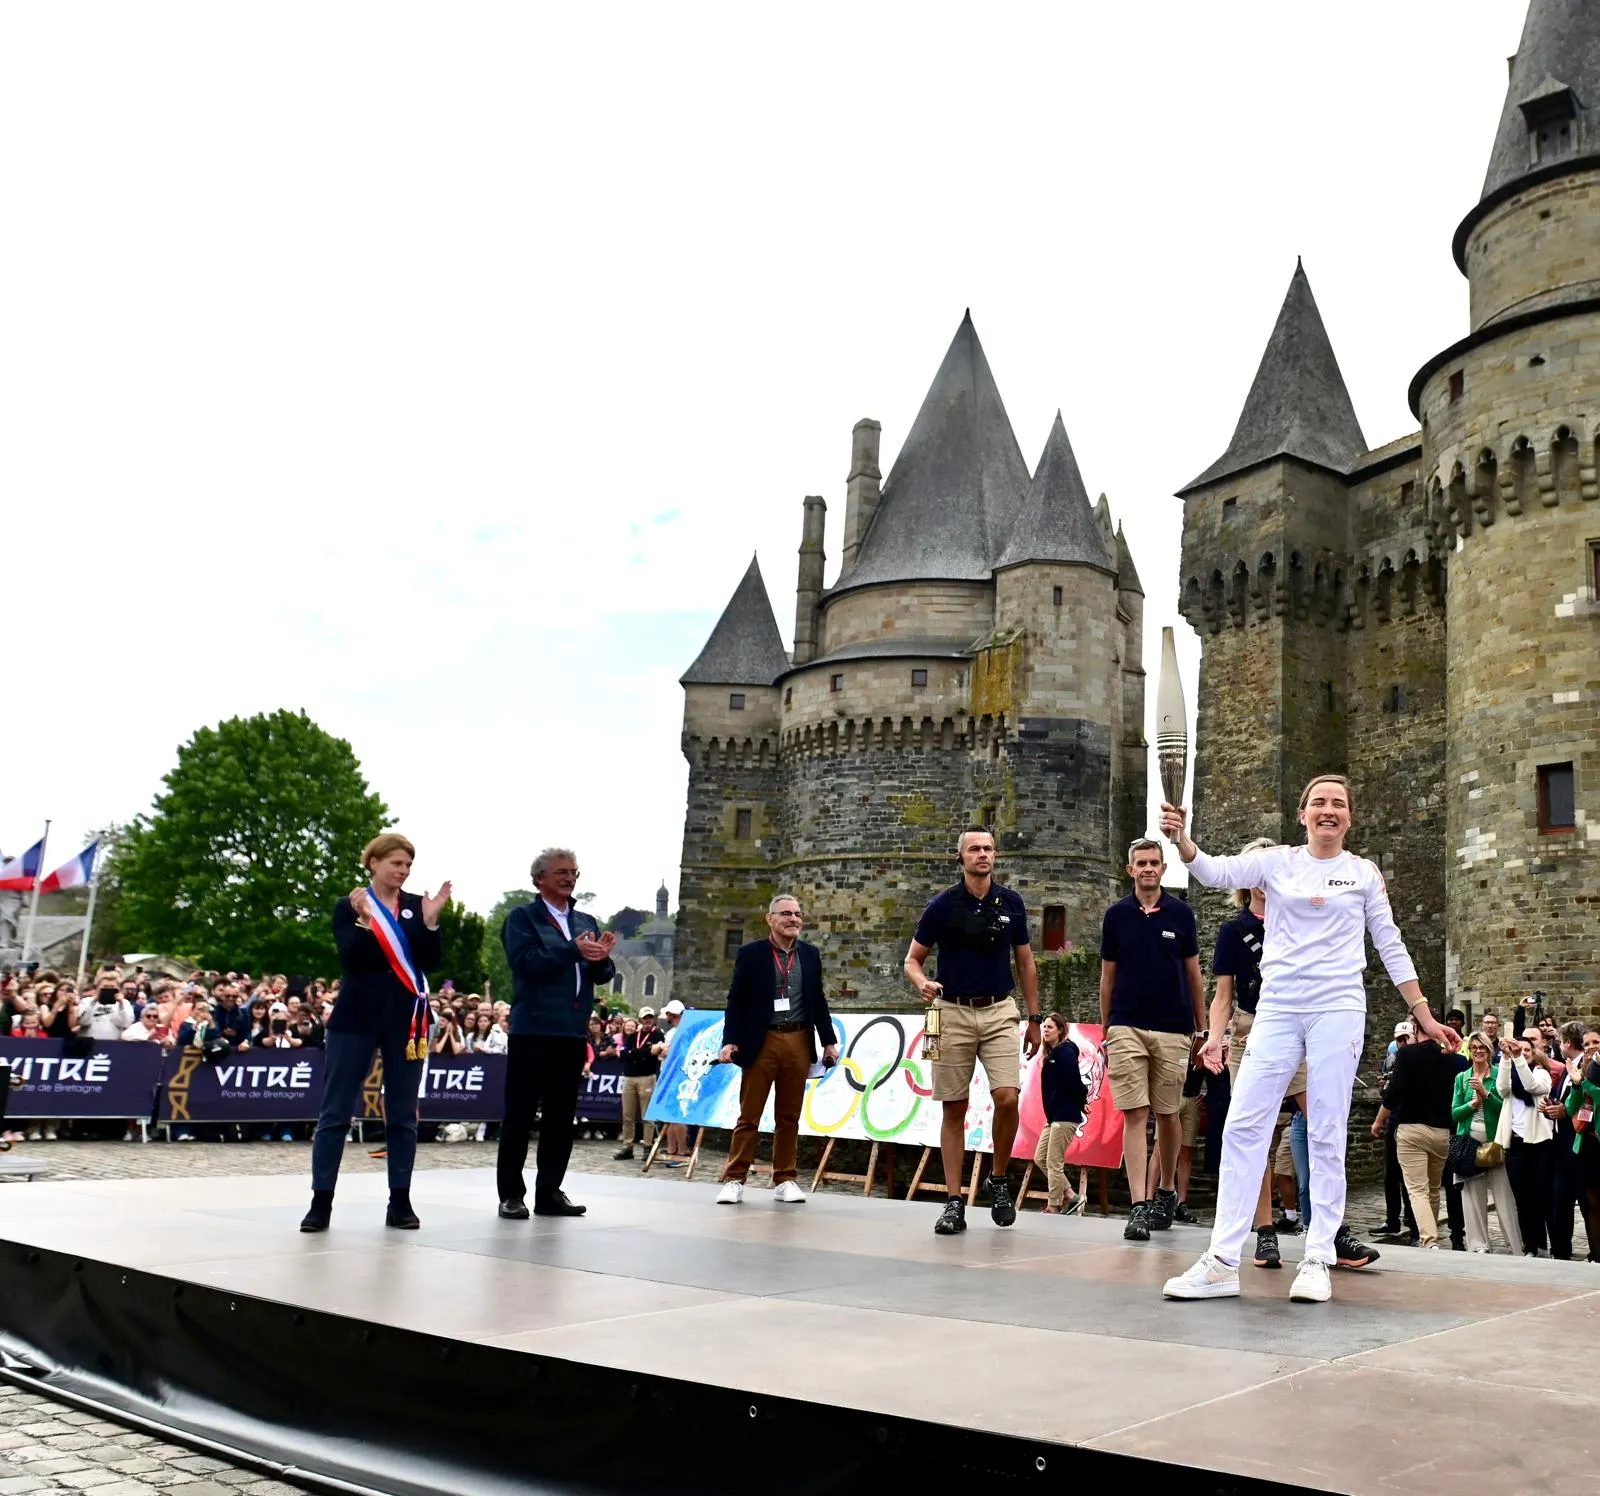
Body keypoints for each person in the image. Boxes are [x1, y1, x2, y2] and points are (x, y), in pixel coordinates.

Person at [1160, 775, 1455, 1304]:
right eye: (1318, 802)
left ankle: (1317, 1256)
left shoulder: (1363, 874)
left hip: (1337, 1008)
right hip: (1277, 1007)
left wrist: (1424, 1016)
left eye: (1338, 804)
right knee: (1245, 1123)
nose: (1328, 810)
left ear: (1349, 817)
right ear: (1302, 814)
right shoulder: (1276, 862)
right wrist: (1182, 839)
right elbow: (1213, 869)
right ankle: (1223, 1260)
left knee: (1324, 1126)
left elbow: (1390, 944)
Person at [301, 832, 448, 1233]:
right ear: (374, 864)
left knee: (402, 1114)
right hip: (356, 1016)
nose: (402, 871)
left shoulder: (418, 906)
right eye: (395, 863)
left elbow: (431, 961)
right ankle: (321, 1202)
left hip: (407, 1019)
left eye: (407, 866)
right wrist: (366, 924)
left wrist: (431, 923)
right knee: (335, 1112)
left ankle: (400, 1200)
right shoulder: (348, 906)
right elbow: (354, 959)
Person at [904, 828, 1041, 1237]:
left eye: (988, 849)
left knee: (1006, 1096)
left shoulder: (1011, 903)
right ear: (959, 857)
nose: (983, 855)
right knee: (954, 1108)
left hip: (1000, 1009)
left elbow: (1027, 964)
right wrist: (921, 982)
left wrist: (1035, 1018)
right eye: (974, 849)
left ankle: (998, 1178)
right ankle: (953, 1201)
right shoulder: (942, 906)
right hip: (952, 1012)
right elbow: (912, 960)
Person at [496, 847, 615, 1220]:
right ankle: (511, 1194)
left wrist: (602, 959)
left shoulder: (585, 919)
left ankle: (549, 1192)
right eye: (561, 871)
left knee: (562, 1118)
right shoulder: (523, 918)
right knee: (519, 1114)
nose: (569, 877)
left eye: (574, 872)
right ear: (540, 879)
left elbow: (599, 974)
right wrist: (572, 951)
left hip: (572, 1031)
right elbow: (526, 964)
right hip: (533, 1028)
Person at [1206, 841, 1310, 1270]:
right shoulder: (1235, 930)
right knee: (1255, 1132)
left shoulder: (1300, 919)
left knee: (1320, 1120)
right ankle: (1265, 1231)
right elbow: (1223, 994)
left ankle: (1329, 1225)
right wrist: (1214, 1037)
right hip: (1251, 1031)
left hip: (1297, 1027)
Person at [1098, 838, 1204, 1240]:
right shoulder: (1116, 916)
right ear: (1130, 870)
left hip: (1173, 1027)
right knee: (1134, 1113)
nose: (1147, 868)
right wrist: (1108, 1028)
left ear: (1163, 868)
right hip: (1126, 1024)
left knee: (1168, 1114)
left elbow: (1194, 975)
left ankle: (1166, 1190)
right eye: (1140, 862)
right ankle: (1138, 1205)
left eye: (1154, 862)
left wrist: (1202, 1028)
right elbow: (1108, 976)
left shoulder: (1181, 915)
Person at [716, 894, 839, 1204]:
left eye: (797, 914)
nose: (793, 919)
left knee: (789, 1117)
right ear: (769, 919)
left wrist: (828, 1041)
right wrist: (730, 1040)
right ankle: (734, 1178)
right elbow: (736, 1000)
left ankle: (785, 1178)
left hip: (798, 1039)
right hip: (762, 1040)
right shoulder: (752, 953)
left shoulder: (810, 955)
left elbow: (818, 1000)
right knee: (750, 1115)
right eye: (785, 913)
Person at [1382, 1011, 1462, 1248]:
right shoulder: (1453, 1059)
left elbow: (1393, 1094)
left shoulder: (1406, 1055)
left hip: (1411, 1128)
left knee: (1417, 1189)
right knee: (1434, 1188)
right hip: (1442, 1131)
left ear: (1416, 1029)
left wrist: (1379, 1119)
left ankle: (1429, 1240)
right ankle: (1431, 1234)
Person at [1453, 1030, 1522, 1254]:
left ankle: (1514, 1244)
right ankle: (1479, 1245)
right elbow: (1455, 1114)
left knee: (1504, 1196)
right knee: (1472, 1197)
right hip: (1469, 1145)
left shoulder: (1499, 1075)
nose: (1478, 1051)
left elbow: (1505, 1110)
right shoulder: (1462, 1078)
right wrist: (1472, 1104)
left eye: (1482, 1047)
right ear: (1469, 1052)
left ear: (1489, 1050)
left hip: (1495, 1143)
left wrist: (1486, 1094)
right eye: (1473, 1048)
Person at [1499, 1030, 1555, 1256]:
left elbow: (1531, 1086)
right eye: (1519, 1050)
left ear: (1533, 1054)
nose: (1521, 1054)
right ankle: (1530, 1245)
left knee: (1541, 1196)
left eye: (1526, 1051)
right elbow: (1502, 1089)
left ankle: (1545, 1244)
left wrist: (1518, 1058)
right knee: (1522, 1199)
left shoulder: (1542, 1074)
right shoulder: (1511, 1074)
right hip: (1516, 1144)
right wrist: (1505, 1058)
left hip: (1539, 1144)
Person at [1370, 1022, 1420, 1244]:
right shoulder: (1393, 1059)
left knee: (1409, 1176)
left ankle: (1412, 1219)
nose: (1402, 1043)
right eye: (1398, 1039)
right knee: (1391, 1174)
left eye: (1405, 1038)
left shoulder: (1415, 1059)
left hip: (1410, 1120)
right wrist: (1384, 1086)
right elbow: (1387, 1092)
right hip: (1394, 1119)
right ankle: (1392, 1220)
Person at [1032, 1014, 1086, 1213]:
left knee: (1054, 1161)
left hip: (1065, 1115)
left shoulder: (1065, 1052)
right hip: (1054, 1116)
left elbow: (1075, 1080)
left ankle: (1054, 1205)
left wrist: (1082, 1101)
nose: (1045, 1030)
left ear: (1061, 1030)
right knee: (1040, 1158)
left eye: (1050, 1027)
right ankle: (1072, 1196)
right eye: (1044, 1027)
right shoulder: (1053, 1054)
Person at [615, 1009, 666, 1161]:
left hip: (647, 1077)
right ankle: (627, 1146)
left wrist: (635, 1053)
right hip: (629, 1077)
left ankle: (647, 1146)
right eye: (645, 1018)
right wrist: (644, 1052)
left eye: (650, 1017)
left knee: (647, 1115)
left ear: (654, 1019)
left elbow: (655, 1053)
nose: (647, 1020)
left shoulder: (658, 1035)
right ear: (640, 1019)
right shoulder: (632, 1036)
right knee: (627, 1114)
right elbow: (623, 1056)